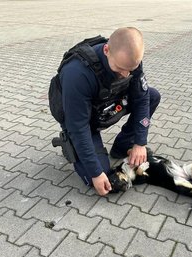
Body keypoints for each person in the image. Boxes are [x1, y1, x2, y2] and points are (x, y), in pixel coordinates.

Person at [54, 27, 160, 196]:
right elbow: (79, 127)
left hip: (104, 103)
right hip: (80, 119)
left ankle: (122, 146)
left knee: (152, 96)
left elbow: (142, 99)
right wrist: (96, 173)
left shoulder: (130, 59)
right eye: (119, 69)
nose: (126, 75)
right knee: (101, 177)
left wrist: (140, 142)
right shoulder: (77, 74)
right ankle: (68, 143)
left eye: (130, 70)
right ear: (106, 50)